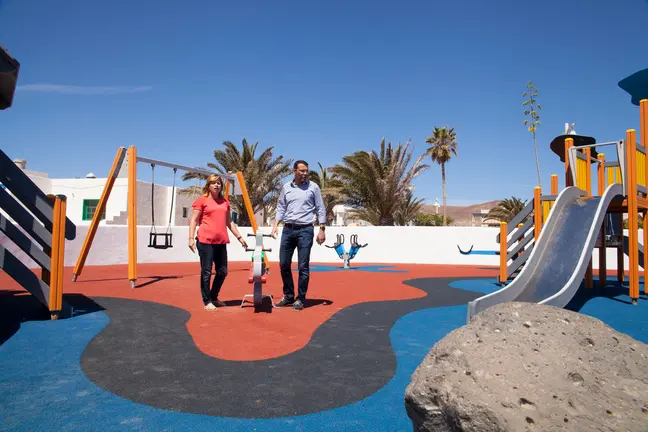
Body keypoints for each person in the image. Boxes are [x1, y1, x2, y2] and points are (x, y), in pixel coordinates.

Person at [271, 160, 327, 310]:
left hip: (305, 231)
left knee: (303, 266)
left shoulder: (313, 187)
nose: (304, 174)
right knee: (283, 264)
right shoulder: (286, 187)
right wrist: (275, 225)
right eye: (301, 171)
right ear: (294, 171)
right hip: (288, 230)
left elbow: (320, 208)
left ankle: (300, 299)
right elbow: (281, 207)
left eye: (306, 171)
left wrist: (322, 229)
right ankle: (288, 296)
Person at [189, 174, 248, 311]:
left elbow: (229, 222)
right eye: (213, 183)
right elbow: (193, 220)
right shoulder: (201, 200)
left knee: (222, 271)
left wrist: (240, 238)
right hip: (205, 241)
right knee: (207, 272)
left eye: (219, 183)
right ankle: (207, 300)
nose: (216, 185)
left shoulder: (224, 202)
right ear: (208, 185)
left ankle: (214, 297)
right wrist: (191, 238)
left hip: (220, 242)